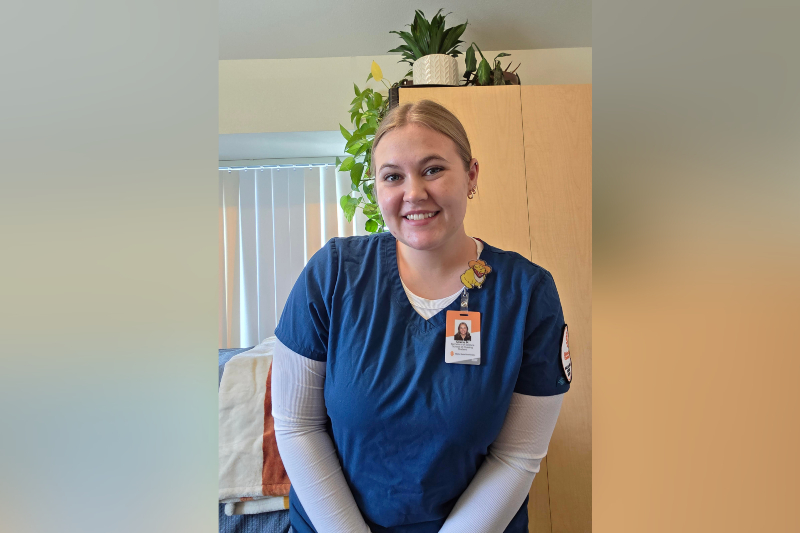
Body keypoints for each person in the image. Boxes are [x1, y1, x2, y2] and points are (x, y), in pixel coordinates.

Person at [271, 100, 570, 533]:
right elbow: (298, 425)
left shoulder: (528, 294)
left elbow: (517, 455)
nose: (413, 193)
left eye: (432, 169)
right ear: (377, 189)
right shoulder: (333, 274)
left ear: (471, 176)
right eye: (393, 176)